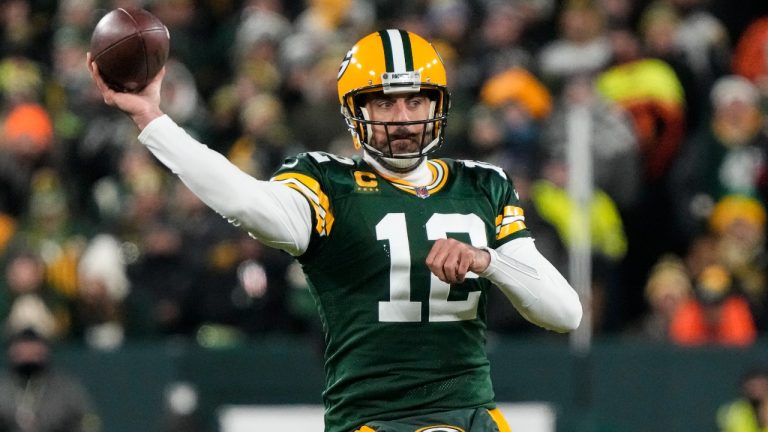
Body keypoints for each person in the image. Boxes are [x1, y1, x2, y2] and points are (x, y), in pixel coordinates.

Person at [87, 29, 582, 432]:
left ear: (439, 104)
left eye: (416, 101)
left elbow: (564, 313)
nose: (404, 118)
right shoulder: (328, 182)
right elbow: (244, 202)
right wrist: (153, 120)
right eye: (385, 104)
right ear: (355, 110)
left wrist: (487, 260)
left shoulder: (484, 184)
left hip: (470, 415)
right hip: (373, 420)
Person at [0, 326, 101, 432]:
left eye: (33, 348)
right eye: (22, 348)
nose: (28, 354)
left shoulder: (65, 386)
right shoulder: (2, 385)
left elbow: (89, 420)